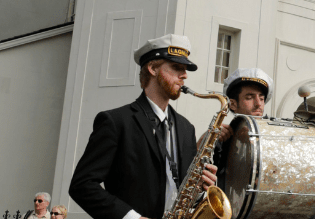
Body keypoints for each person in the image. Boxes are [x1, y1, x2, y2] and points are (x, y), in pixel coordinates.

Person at [69, 34, 218, 219]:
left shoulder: (186, 128)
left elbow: (181, 190)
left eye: (185, 69)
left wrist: (202, 188)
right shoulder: (116, 121)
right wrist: (133, 218)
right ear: (153, 68)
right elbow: (82, 185)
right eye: (176, 67)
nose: (185, 75)